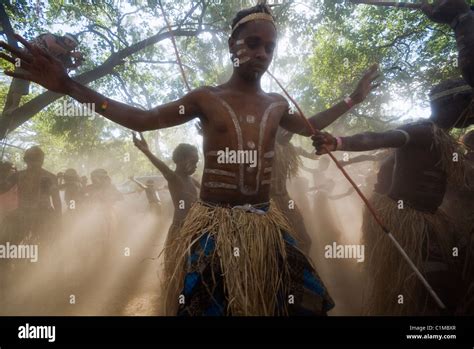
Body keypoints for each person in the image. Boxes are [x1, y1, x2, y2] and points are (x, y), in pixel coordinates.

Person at [0, 1, 379, 316]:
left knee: (303, 305)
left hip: (266, 225)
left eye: (270, 47)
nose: (262, 53)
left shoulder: (277, 105)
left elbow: (309, 126)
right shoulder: (205, 98)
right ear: (233, 46)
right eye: (253, 43)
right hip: (214, 228)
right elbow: (142, 118)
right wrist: (67, 85)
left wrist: (352, 100)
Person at [313, 78, 474, 315]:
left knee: (452, 278)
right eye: (468, 103)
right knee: (429, 286)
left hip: (432, 220)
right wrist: (338, 142)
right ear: (451, 103)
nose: (470, 111)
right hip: (406, 220)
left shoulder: (447, 142)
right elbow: (378, 137)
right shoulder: (421, 130)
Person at [132, 134, 199, 277]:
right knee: (178, 265)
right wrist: (146, 151)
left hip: (196, 228)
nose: (196, 165)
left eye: (197, 162)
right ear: (180, 161)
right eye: (193, 161)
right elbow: (162, 167)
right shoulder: (174, 178)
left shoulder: (192, 180)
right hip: (181, 228)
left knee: (195, 264)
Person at [2, 32, 83, 116]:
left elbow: (65, 66)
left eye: (73, 45)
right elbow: (51, 45)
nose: (70, 45)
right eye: (70, 41)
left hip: (35, 64)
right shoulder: (51, 36)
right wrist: (71, 54)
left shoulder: (65, 54)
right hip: (24, 55)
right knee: (20, 70)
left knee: (23, 75)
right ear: (65, 38)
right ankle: (14, 105)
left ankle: (14, 105)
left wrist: (76, 64)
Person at [0, 146, 61, 245]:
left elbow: (56, 200)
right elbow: (2, 189)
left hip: (42, 215)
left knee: (50, 244)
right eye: (32, 159)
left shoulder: (49, 177)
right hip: (24, 214)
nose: (33, 163)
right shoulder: (18, 175)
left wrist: (58, 218)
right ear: (27, 160)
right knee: (5, 238)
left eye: (36, 159)